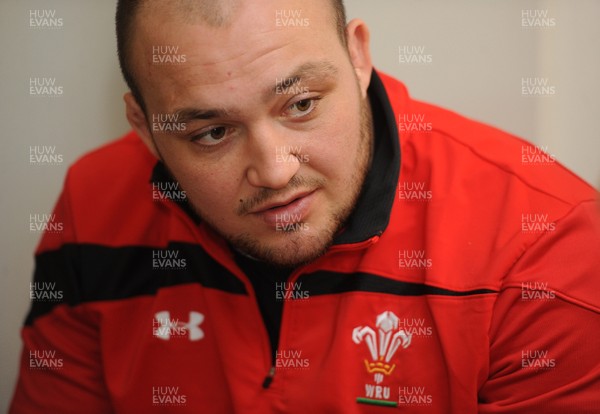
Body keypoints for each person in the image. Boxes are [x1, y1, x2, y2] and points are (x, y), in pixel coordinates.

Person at [10, 0, 600, 412]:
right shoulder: (93, 209)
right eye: (211, 133)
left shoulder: (544, 244)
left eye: (301, 104)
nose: (275, 171)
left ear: (358, 55)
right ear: (144, 126)